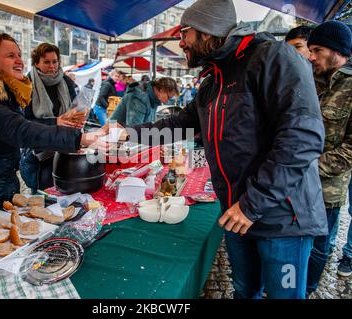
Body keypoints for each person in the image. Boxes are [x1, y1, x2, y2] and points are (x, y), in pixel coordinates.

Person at [119, 0, 326, 299]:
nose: (180, 41)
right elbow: (180, 124)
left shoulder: (272, 56)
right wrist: (126, 134)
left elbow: (302, 137)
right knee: (244, 290)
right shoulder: (213, 80)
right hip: (235, 212)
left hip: (282, 217)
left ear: (206, 30)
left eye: (184, 32)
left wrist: (251, 205)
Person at [0, 33, 105, 217]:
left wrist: (57, 122)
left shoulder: (10, 90)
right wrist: (80, 138)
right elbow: (20, 130)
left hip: (0, 177)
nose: (19, 61)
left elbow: (23, 124)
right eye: (10, 56)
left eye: (19, 55)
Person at [305, 21, 352, 295]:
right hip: (296, 182)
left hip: (327, 189)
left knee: (320, 245)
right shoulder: (313, 81)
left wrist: (309, 168)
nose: (311, 56)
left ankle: (307, 288)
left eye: (316, 50)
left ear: (337, 51)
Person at [19, 43, 85, 194]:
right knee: (44, 195)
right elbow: (23, 122)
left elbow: (79, 106)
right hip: (39, 153)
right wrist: (55, 121)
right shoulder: (26, 84)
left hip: (63, 147)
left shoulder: (66, 81)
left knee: (63, 193)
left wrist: (78, 117)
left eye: (54, 61)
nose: (52, 66)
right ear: (36, 63)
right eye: (46, 62)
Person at [109, 77, 178, 126]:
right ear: (162, 90)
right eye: (168, 97)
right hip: (115, 137)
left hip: (124, 137)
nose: (167, 102)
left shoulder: (154, 99)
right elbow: (134, 129)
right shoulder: (140, 98)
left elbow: (149, 125)